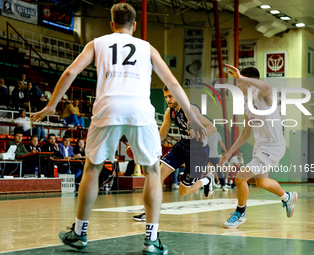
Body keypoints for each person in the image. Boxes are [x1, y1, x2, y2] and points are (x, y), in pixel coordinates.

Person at [32, 3, 206, 254]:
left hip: (107, 108)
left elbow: (70, 72)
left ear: (111, 24)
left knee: (92, 168)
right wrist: (193, 117)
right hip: (140, 110)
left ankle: (79, 233)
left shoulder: (97, 43)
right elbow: (173, 83)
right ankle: (152, 239)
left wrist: (51, 105)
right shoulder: (148, 48)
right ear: (134, 26)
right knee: (153, 172)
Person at [219, 65, 298, 229]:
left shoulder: (262, 95)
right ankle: (287, 197)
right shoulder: (246, 103)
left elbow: (267, 86)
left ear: (248, 82)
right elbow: (245, 133)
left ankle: (240, 213)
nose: (238, 85)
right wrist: (229, 152)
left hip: (273, 146)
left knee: (240, 178)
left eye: (240, 82)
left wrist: (240, 77)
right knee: (261, 182)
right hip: (261, 146)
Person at [132, 85, 217, 221]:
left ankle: (207, 180)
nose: (168, 99)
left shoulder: (191, 109)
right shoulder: (169, 112)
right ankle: (149, 212)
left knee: (183, 191)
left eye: (170, 96)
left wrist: (201, 132)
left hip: (198, 151)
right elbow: (161, 136)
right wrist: (143, 145)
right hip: (182, 146)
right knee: (157, 177)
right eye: (166, 97)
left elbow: (212, 127)